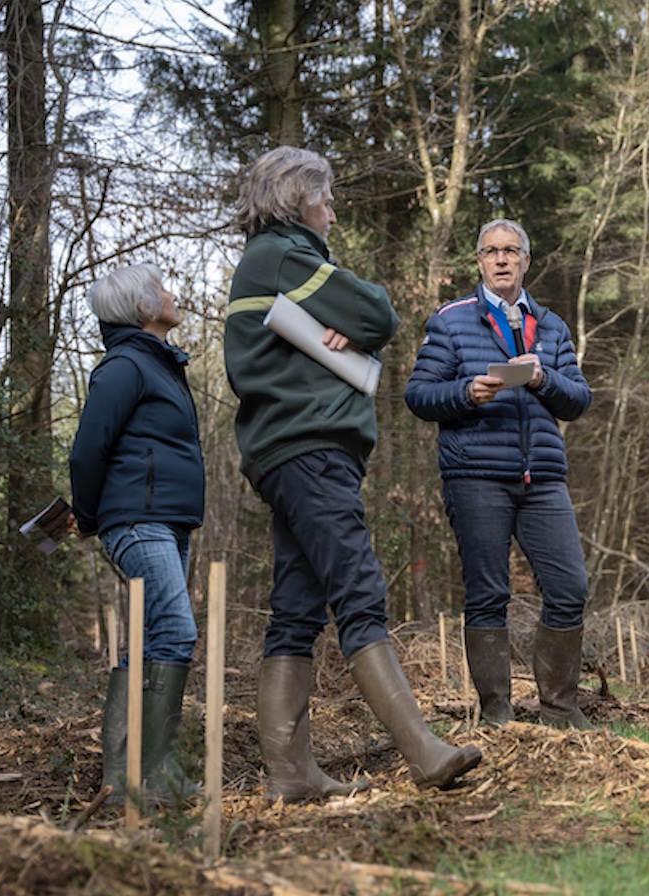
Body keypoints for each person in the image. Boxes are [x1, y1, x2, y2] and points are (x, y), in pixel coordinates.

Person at [224, 146, 481, 799]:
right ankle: (421, 750)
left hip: (287, 451)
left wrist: (344, 323)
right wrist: (352, 321)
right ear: (297, 198)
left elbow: (357, 326)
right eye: (326, 200)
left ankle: (290, 773)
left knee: (297, 609)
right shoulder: (285, 254)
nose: (333, 214)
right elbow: (378, 315)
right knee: (359, 591)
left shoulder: (273, 261)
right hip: (310, 450)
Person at [404, 218, 595, 729]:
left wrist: (542, 377)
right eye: (492, 252)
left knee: (570, 586)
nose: (502, 259)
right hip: (475, 476)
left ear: (527, 261)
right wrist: (466, 392)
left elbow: (578, 399)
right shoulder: (450, 321)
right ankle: (498, 716)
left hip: (543, 479)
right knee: (488, 593)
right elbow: (418, 396)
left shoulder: (551, 326)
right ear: (480, 262)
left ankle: (559, 710)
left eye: (512, 251)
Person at [68, 263, 204, 803]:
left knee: (148, 643)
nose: (174, 294)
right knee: (177, 632)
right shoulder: (124, 365)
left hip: (166, 522)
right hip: (139, 522)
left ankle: (123, 781)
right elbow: (87, 448)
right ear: (144, 308)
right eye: (163, 288)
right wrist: (89, 514)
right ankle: (153, 777)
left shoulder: (160, 364)